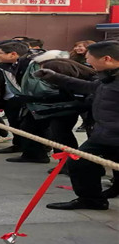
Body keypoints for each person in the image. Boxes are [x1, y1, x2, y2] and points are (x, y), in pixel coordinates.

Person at [37, 41, 119, 210]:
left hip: (114, 134)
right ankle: (91, 200)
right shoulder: (109, 77)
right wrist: (54, 77)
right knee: (79, 162)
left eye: (90, 59)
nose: (87, 62)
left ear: (107, 59)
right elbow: (89, 87)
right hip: (104, 134)